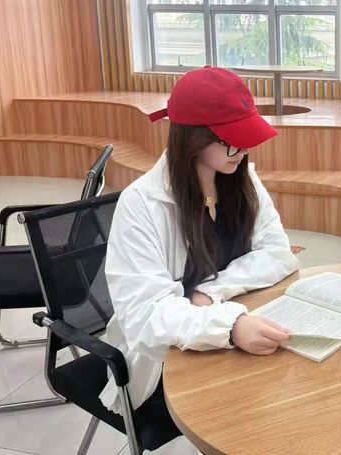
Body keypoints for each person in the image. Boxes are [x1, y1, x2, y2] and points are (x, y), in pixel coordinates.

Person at [99, 67, 299, 453]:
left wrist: (212, 292)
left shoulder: (241, 178)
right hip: (170, 358)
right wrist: (230, 326)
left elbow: (277, 253)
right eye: (230, 142)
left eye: (246, 140)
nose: (241, 152)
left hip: (237, 332)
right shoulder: (141, 205)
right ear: (193, 137)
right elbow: (146, 316)